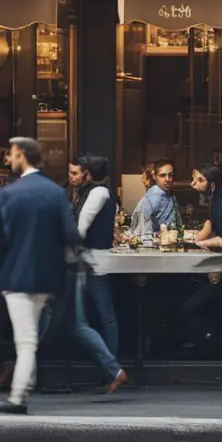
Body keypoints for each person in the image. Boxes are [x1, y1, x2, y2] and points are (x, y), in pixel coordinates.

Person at [0, 137, 81, 414]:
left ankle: (18, 396)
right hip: (48, 276)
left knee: (25, 340)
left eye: (12, 155)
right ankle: (28, 381)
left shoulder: (5, 194)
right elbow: (71, 234)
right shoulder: (55, 192)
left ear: (22, 155)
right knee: (31, 335)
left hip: (16, 276)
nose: (9, 160)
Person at [65, 154, 126, 392]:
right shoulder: (102, 193)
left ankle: (111, 369)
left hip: (92, 262)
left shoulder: (97, 194)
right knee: (102, 316)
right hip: (94, 261)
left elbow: (81, 227)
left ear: (89, 173)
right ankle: (110, 368)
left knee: (102, 317)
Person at [184, 163, 222, 351]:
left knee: (191, 308)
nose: (194, 184)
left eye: (200, 180)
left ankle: (211, 342)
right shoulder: (215, 202)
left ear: (213, 185)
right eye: (194, 179)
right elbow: (209, 226)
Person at [129, 159, 178, 236]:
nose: (168, 179)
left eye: (170, 175)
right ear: (154, 176)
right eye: (162, 175)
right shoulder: (154, 196)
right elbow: (144, 230)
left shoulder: (168, 194)